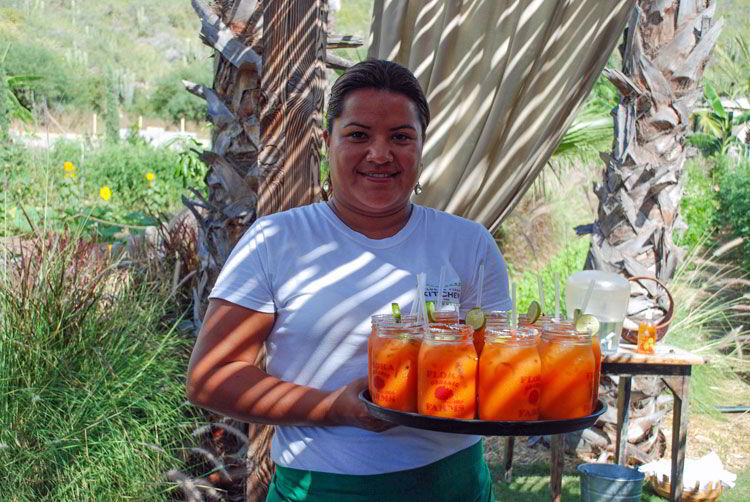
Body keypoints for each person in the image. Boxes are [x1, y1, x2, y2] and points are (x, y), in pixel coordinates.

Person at [187, 59, 512, 501]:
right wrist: (333, 408)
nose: (380, 154)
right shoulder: (277, 240)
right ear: (327, 142)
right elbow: (211, 378)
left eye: (401, 137)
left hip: (452, 483)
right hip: (322, 488)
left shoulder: (468, 243)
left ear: (421, 145)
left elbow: (500, 364)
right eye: (358, 135)